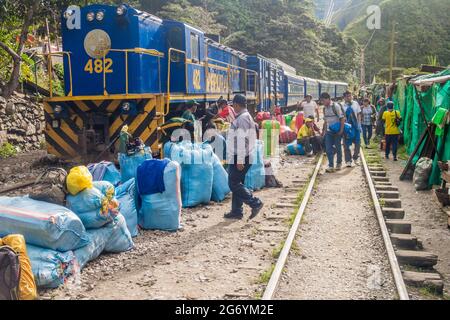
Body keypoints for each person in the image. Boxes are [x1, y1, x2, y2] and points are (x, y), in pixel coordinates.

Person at [224, 94, 264, 220]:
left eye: (233, 105)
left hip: (241, 156)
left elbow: (242, 140)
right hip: (242, 155)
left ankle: (255, 203)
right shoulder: (244, 117)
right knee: (237, 182)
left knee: (233, 183)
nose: (232, 107)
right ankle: (237, 211)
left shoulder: (242, 119)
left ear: (236, 104)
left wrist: (240, 159)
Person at [321, 92, 345, 173]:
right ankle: (331, 165)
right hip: (329, 131)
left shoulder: (335, 106)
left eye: (323, 101)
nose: (322, 103)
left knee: (338, 147)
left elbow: (342, 118)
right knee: (328, 149)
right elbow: (325, 121)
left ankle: (339, 163)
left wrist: (341, 130)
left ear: (328, 99)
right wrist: (323, 131)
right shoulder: (324, 109)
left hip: (337, 131)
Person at [342, 91, 362, 167]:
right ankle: (348, 161)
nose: (349, 97)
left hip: (355, 127)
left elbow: (359, 114)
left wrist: (359, 124)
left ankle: (355, 157)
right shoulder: (342, 105)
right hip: (346, 128)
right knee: (346, 145)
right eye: (347, 96)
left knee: (358, 143)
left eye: (350, 96)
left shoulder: (355, 103)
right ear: (344, 97)